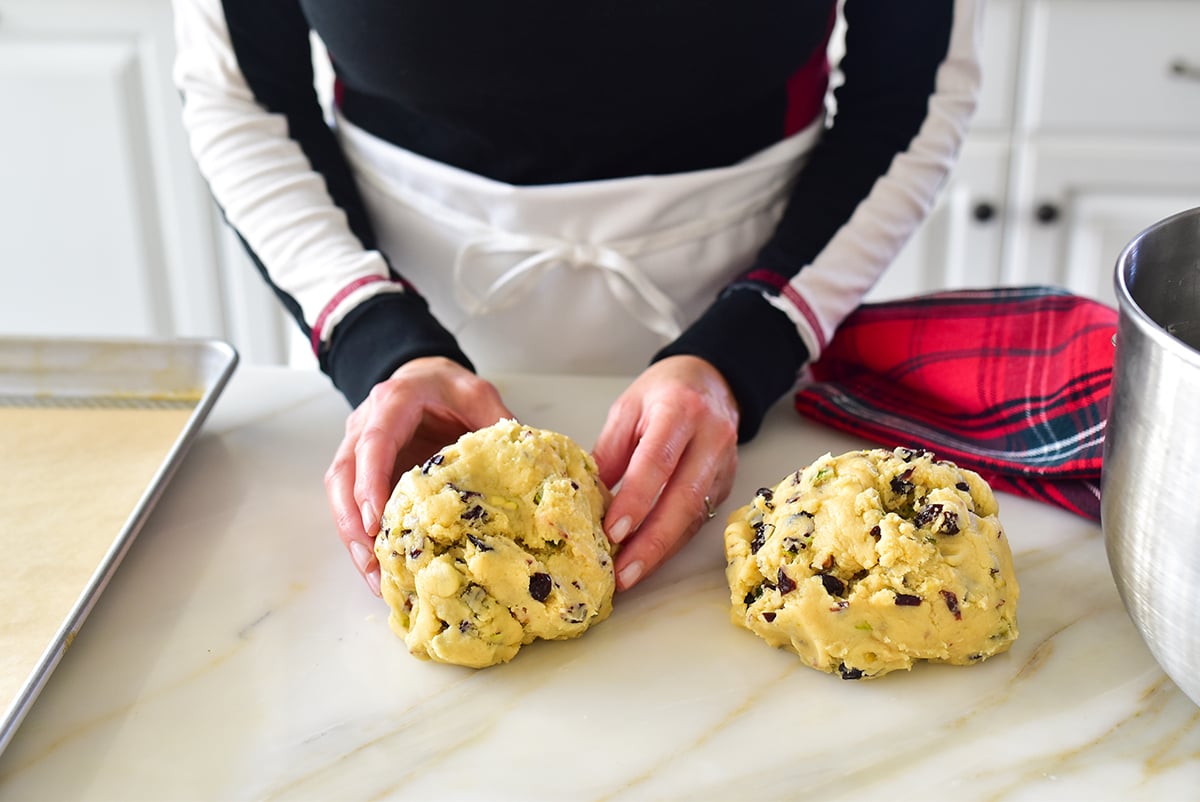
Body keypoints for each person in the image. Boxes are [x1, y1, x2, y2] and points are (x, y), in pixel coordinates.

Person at [171, 0, 984, 596]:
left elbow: (910, 92)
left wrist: (746, 352)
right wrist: (376, 340)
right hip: (387, 303)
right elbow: (240, 93)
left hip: (765, 298)